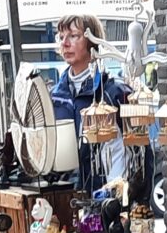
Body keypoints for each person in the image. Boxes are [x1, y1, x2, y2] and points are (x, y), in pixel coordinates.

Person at [50, 13, 132, 194]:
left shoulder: (113, 93)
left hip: (107, 199)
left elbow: (135, 153)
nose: (65, 43)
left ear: (92, 41)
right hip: (65, 198)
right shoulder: (54, 97)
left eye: (73, 36)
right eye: (61, 37)